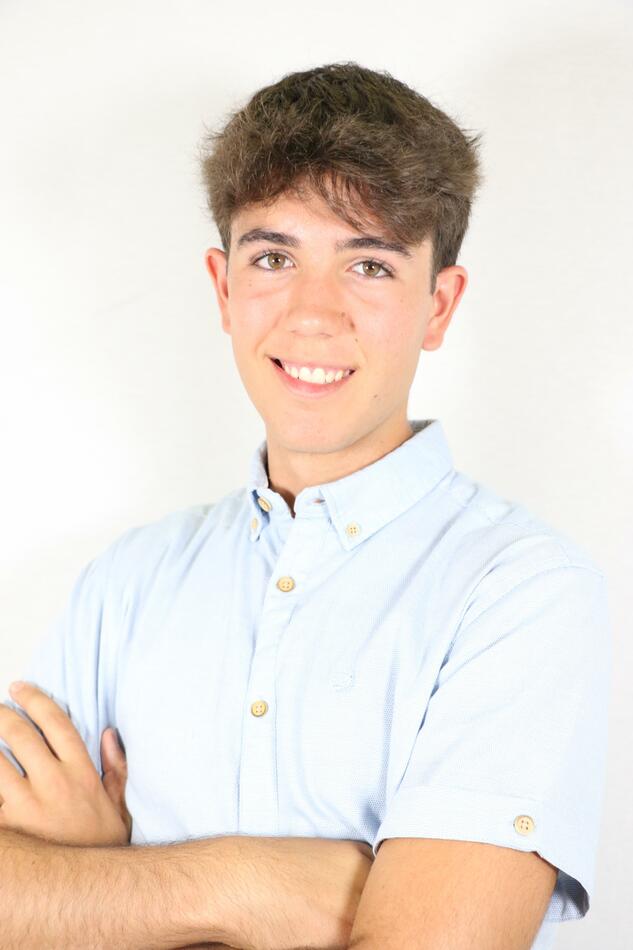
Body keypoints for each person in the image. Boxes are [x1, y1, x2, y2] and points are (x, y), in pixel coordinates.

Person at [0, 62, 611, 950]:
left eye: (368, 264)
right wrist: (243, 885)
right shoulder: (124, 583)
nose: (313, 314)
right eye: (274, 258)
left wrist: (101, 884)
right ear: (223, 288)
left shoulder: (520, 590)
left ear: (438, 306)